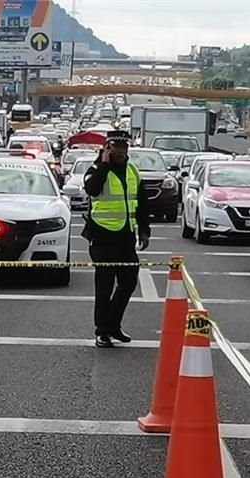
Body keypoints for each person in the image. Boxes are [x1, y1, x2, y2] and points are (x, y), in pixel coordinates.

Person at [82, 130, 150, 348]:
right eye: (115, 147)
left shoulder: (132, 171)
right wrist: (103, 164)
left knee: (129, 282)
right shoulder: (96, 170)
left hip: (126, 236)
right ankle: (102, 331)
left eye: (124, 147)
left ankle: (113, 324)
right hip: (102, 236)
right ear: (107, 148)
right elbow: (91, 190)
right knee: (104, 286)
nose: (121, 151)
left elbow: (142, 203)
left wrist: (144, 230)